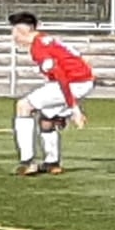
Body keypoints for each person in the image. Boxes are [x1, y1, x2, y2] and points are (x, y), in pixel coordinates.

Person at [9, 11, 94, 176]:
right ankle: (52, 163)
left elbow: (61, 76)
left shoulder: (39, 47)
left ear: (23, 30)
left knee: (23, 106)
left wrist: (74, 108)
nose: (13, 36)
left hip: (74, 82)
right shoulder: (45, 40)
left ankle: (27, 162)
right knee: (47, 119)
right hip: (83, 80)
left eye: (14, 30)